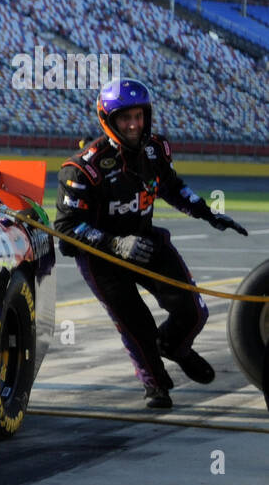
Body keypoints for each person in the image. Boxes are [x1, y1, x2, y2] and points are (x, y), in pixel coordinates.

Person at [54, 78, 247, 408]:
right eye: (125, 118)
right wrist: (116, 244)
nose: (133, 125)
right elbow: (66, 232)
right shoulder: (81, 169)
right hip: (102, 260)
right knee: (137, 324)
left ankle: (173, 345)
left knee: (193, 310)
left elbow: (172, 187)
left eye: (139, 116)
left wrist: (209, 214)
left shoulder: (157, 149)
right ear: (108, 120)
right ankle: (155, 385)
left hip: (147, 242)